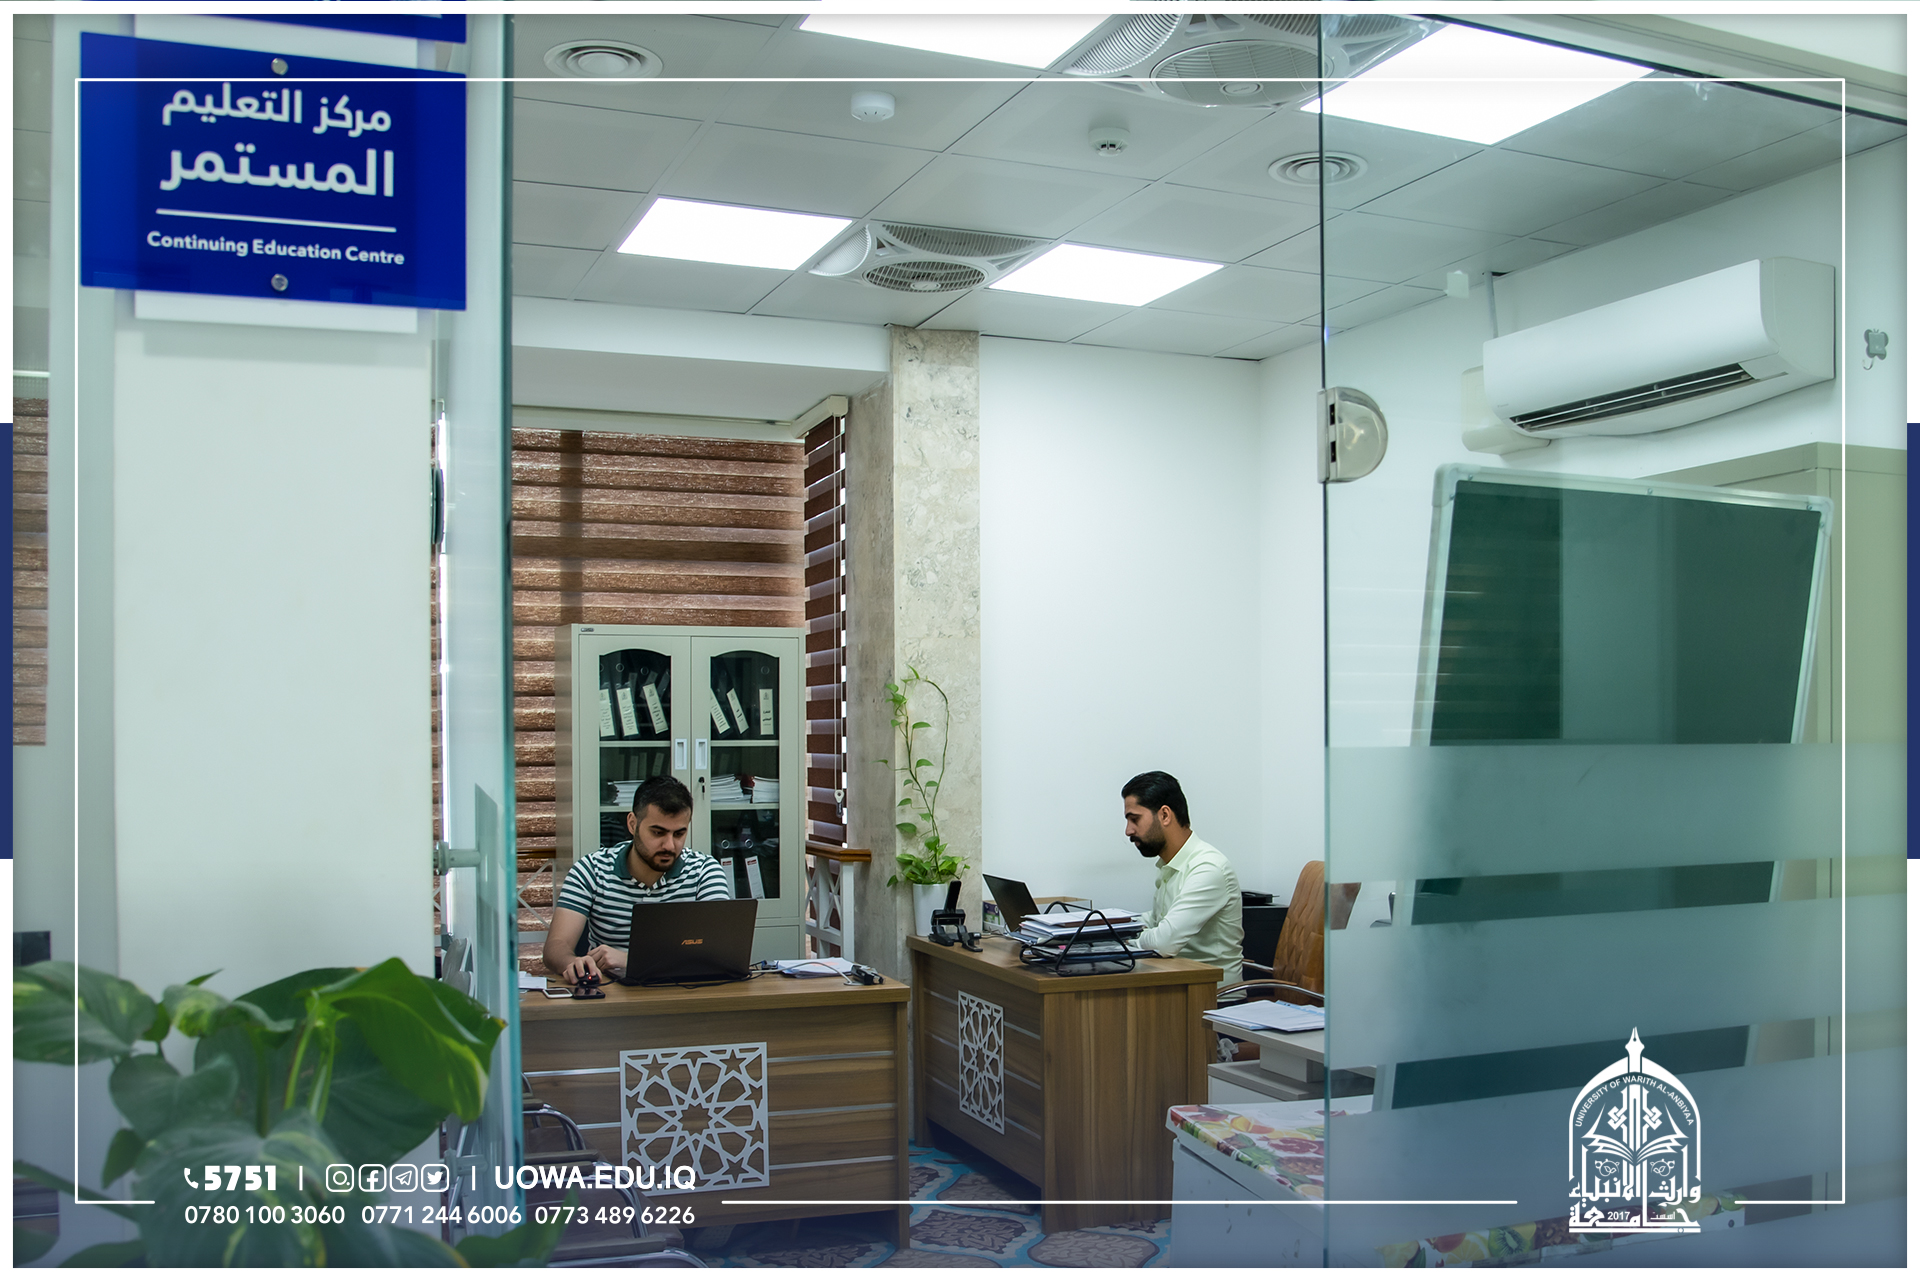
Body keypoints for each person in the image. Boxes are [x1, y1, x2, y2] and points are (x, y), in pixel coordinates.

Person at [543, 775, 732, 983]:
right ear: (633, 824)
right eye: (658, 833)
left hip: (684, 993)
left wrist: (631, 961)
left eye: (679, 834)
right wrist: (573, 963)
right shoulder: (591, 870)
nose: (669, 845)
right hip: (611, 994)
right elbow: (556, 947)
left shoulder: (704, 871)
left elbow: (718, 954)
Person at [1122, 771, 1243, 986]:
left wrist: (1122, 939)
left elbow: (1164, 942)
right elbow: (1157, 921)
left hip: (1214, 997)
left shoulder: (1208, 868)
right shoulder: (1169, 865)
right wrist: (1107, 928)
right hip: (1177, 985)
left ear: (1165, 815)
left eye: (1135, 819)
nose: (1128, 830)